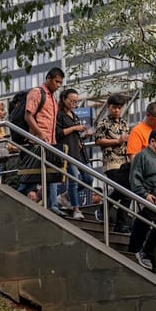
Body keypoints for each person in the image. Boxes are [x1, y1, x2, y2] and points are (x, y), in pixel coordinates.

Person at [16, 67, 65, 214]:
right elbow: (28, 116)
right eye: (56, 81)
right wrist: (39, 133)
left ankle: (53, 205)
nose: (58, 85)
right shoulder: (37, 93)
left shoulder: (53, 98)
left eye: (60, 83)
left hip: (50, 142)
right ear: (48, 78)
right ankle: (15, 197)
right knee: (31, 177)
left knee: (50, 174)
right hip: (36, 141)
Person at [129, 128, 156, 278]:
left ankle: (153, 266)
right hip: (151, 197)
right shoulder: (142, 156)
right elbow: (135, 178)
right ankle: (145, 253)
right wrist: (144, 194)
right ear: (152, 141)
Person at [93, 93, 132, 233]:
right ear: (109, 107)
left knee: (128, 192)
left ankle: (121, 224)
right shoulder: (103, 123)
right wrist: (117, 141)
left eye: (119, 108)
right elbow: (98, 141)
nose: (117, 110)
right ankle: (104, 210)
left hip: (125, 163)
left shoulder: (125, 124)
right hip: (111, 163)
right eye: (114, 107)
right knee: (124, 191)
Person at [55, 88, 93, 220]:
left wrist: (84, 136)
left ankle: (65, 196)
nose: (74, 104)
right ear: (64, 99)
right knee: (74, 180)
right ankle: (76, 209)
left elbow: (75, 136)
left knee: (89, 179)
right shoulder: (59, 115)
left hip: (80, 152)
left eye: (76, 101)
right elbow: (59, 134)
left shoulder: (74, 115)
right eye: (72, 101)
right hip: (68, 152)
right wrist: (75, 128)